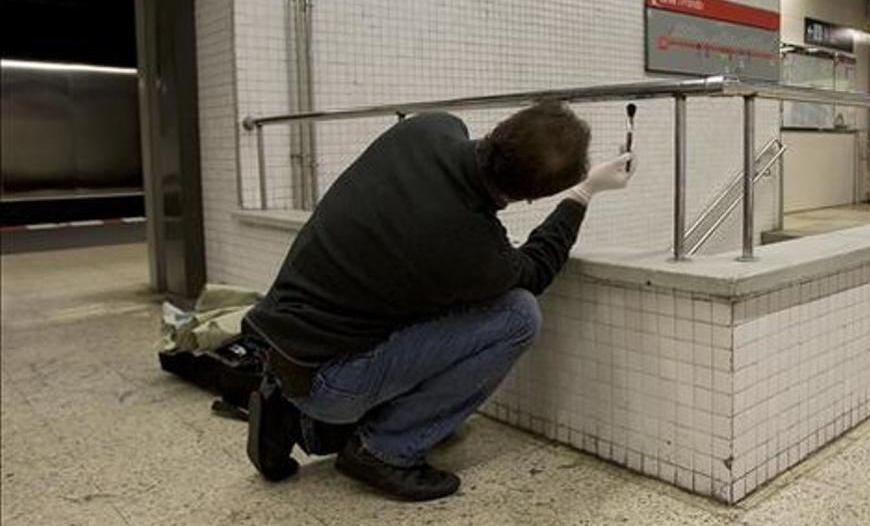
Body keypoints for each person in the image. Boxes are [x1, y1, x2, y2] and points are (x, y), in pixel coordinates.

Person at [242, 101, 635, 501]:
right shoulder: (472, 249)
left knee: (432, 299)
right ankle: (385, 450)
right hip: (330, 382)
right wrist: (584, 192)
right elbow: (534, 271)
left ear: (502, 126)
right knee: (519, 315)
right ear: (533, 198)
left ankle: (296, 414)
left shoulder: (428, 129)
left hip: (285, 342)